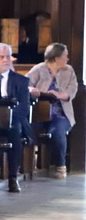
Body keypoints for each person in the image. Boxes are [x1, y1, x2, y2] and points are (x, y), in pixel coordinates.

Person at [26, 42, 77, 179]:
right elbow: (25, 84)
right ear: (57, 58)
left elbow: (72, 90)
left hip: (61, 114)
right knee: (27, 129)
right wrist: (32, 90)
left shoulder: (69, 71)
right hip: (39, 114)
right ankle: (26, 166)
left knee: (58, 132)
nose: (67, 59)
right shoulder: (39, 69)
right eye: (65, 56)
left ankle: (60, 166)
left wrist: (59, 95)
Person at [0, 42, 34, 192]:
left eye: (8, 57)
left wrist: (6, 116)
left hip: (12, 120)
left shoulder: (21, 81)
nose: (5, 60)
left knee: (15, 131)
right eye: (1, 57)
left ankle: (12, 177)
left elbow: (24, 107)